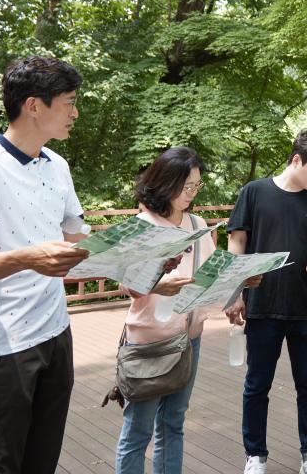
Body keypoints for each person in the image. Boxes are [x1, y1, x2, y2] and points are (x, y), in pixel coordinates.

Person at [0, 55, 90, 474]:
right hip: (1, 348)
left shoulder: (57, 165)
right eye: (68, 101)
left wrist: (145, 254)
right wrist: (29, 257)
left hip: (55, 333)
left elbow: (78, 241)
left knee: (41, 462)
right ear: (34, 105)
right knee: (1, 466)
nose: (75, 112)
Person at [224, 129, 307, 474]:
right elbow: (237, 243)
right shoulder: (255, 193)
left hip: (306, 306)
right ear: (296, 160)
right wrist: (235, 293)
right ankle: (255, 456)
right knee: (256, 384)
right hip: (262, 305)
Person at [114, 146, 216, 474]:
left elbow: (209, 274)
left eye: (196, 186)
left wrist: (237, 288)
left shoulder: (197, 223)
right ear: (165, 182)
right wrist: (158, 283)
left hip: (189, 336)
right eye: (186, 186)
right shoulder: (142, 225)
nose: (191, 194)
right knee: (138, 429)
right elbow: (127, 286)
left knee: (174, 422)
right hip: (149, 341)